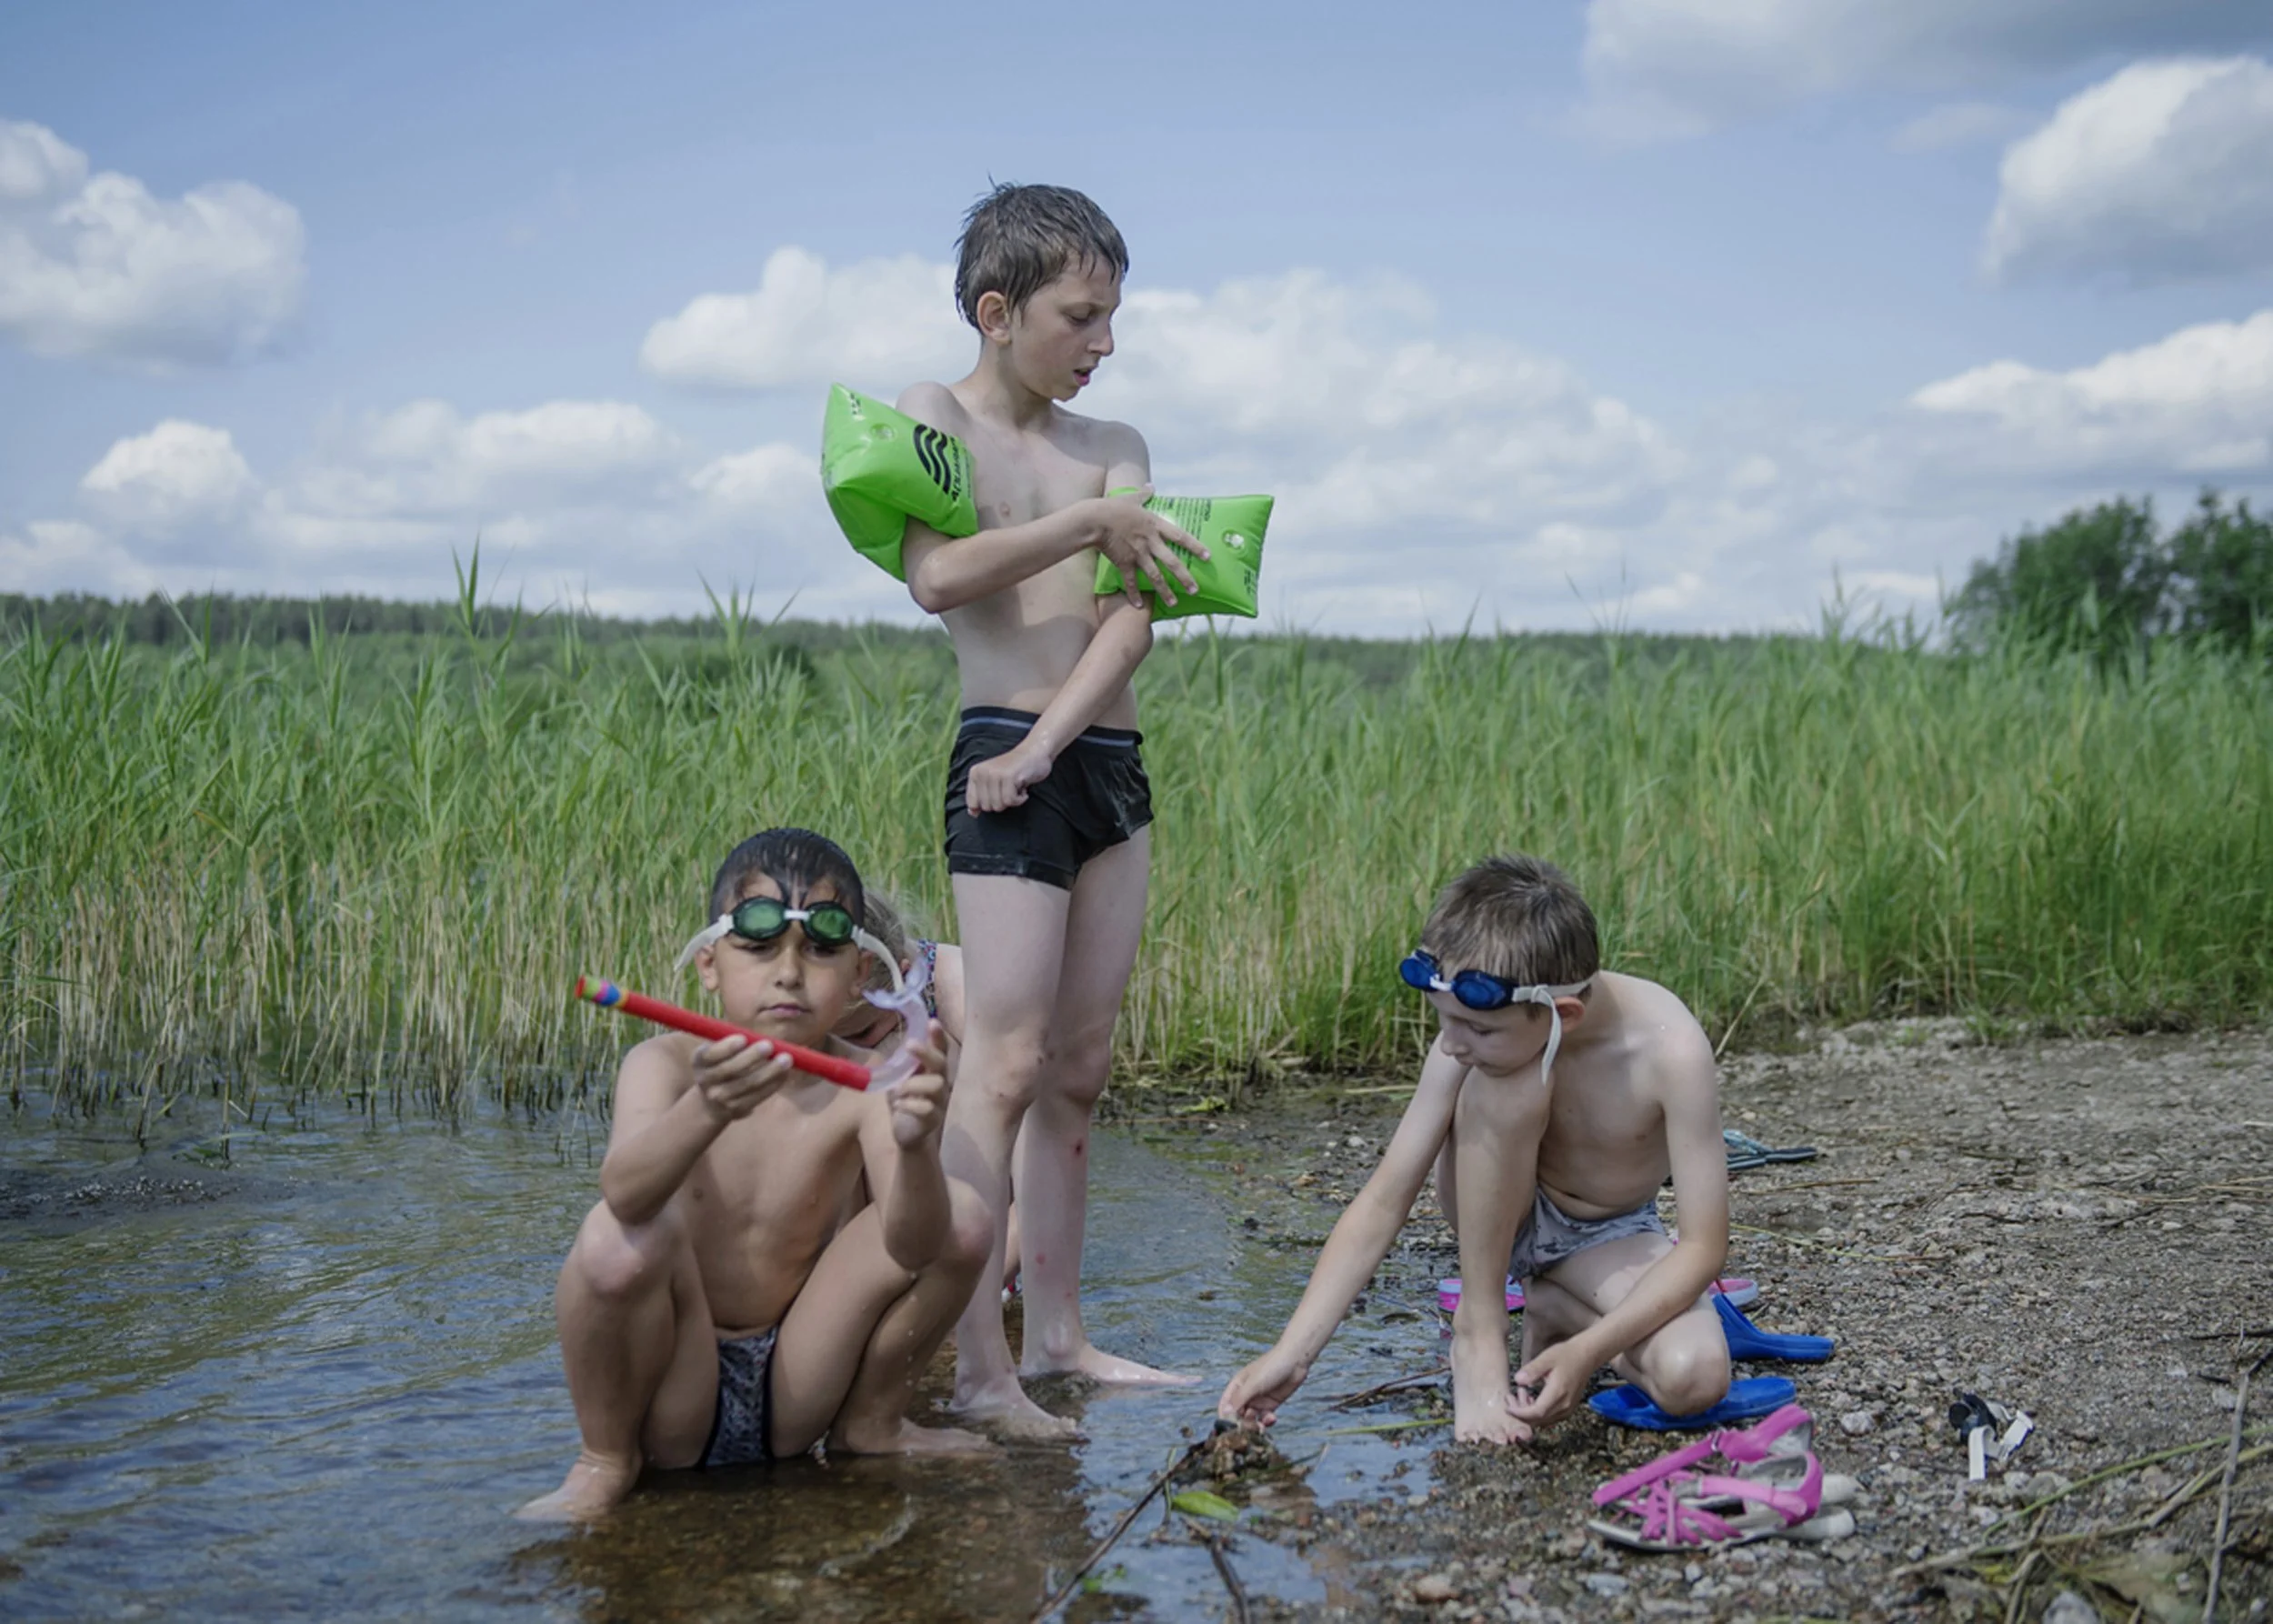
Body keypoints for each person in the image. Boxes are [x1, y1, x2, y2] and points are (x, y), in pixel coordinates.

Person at [896, 183, 1206, 1431]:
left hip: (1100, 763)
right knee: (1005, 1062)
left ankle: (1062, 1335)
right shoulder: (931, 415)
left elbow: (1131, 619)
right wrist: (1085, 521)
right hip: (993, 750)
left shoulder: (1118, 441)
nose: (1104, 341)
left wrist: (1056, 744)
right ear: (997, 309)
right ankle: (981, 1371)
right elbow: (937, 575)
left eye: (1112, 315)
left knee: (1077, 1067)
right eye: (1082, 315)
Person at [517, 829, 996, 1521]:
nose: (789, 973)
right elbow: (624, 1195)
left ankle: (873, 1423)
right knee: (614, 1241)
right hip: (682, 1383)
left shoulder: (871, 1084)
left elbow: (917, 1248)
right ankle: (605, 1458)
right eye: (760, 945)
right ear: (709, 965)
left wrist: (919, 1146)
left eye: (821, 950)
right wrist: (706, 1109)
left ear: (861, 975)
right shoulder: (666, 1065)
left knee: (966, 1215)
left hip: (800, 1383)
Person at [1217, 856, 1732, 1445]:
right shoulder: (1472, 1045)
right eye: (1445, 1022)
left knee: (1695, 1378)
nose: (1454, 1046)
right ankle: (1480, 1329)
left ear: (1563, 1013)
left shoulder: (1671, 1054)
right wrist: (1293, 1354)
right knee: (1507, 1083)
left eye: (1477, 1030)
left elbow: (1702, 1248)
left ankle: (1556, 1308)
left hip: (1605, 1234)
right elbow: (1386, 1199)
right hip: (1494, 1219)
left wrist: (1589, 1352)